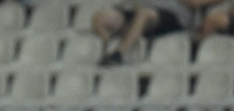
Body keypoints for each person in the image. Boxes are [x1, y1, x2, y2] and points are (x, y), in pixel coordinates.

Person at [92, 0, 222, 66]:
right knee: (102, 17)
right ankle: (105, 52)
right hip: (138, 10)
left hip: (172, 16)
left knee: (145, 13)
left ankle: (119, 54)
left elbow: (194, 2)